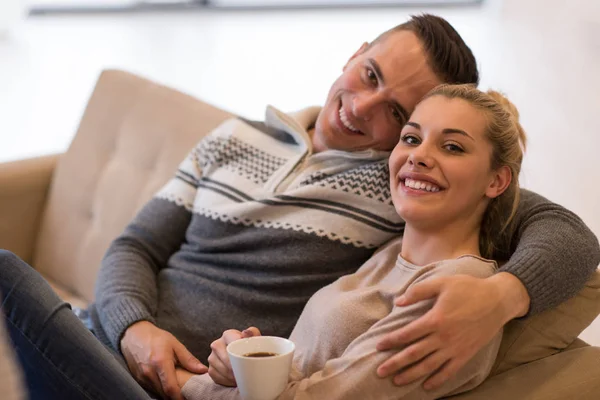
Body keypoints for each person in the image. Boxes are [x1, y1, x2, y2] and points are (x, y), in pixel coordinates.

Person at [0, 14, 598, 400]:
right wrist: (135, 328)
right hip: (103, 339)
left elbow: (567, 233)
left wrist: (502, 295)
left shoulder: (406, 188)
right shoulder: (236, 136)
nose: (363, 107)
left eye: (397, 114)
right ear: (356, 52)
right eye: (369, 75)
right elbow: (135, 245)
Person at [175, 84, 526, 399]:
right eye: (411, 138)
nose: (418, 156)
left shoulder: (460, 287)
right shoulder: (388, 254)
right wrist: (241, 367)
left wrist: (179, 381)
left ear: (496, 181)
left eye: (452, 146)